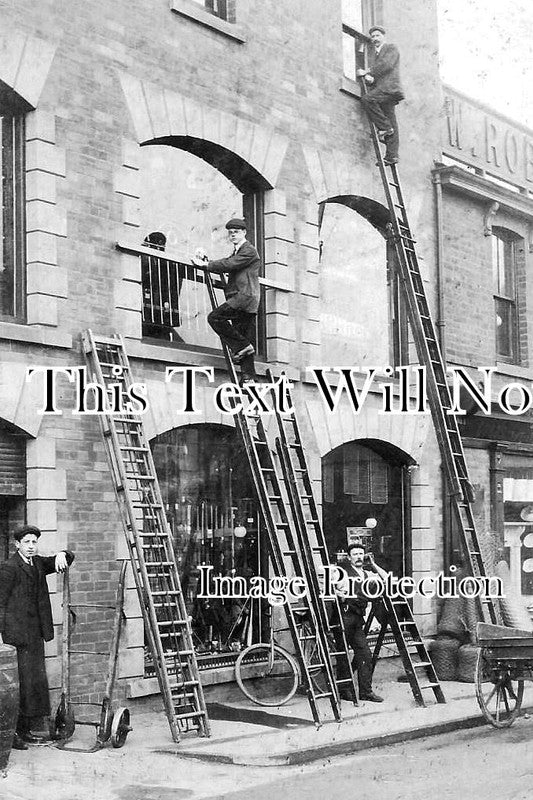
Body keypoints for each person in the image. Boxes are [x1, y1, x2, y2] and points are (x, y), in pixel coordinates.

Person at [0, 525, 74, 750]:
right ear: (17, 545)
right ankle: (11, 735)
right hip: (15, 636)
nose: (31, 546)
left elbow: (66, 559)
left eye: (34, 542)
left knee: (32, 684)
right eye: (27, 543)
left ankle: (24, 731)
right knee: (18, 684)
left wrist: (63, 554)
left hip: (34, 635)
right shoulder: (9, 567)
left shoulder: (39, 564)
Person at [193, 218, 260, 385]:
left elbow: (229, 264)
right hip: (245, 299)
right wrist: (208, 261)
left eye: (236, 232)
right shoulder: (238, 251)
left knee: (214, 318)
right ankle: (249, 378)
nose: (233, 235)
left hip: (244, 297)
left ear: (244, 233)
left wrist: (206, 264)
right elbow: (228, 262)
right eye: (230, 233)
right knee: (242, 338)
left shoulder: (249, 250)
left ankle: (243, 349)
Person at [335, 541, 388, 703]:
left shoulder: (367, 573)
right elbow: (327, 587)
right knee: (343, 654)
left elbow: (385, 578)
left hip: (357, 619)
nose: (358, 557)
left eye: (360, 554)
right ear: (349, 557)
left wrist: (373, 564)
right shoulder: (341, 572)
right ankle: (344, 690)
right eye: (355, 554)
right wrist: (340, 594)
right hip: (343, 617)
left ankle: (366, 692)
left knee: (365, 654)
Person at [357, 26, 404, 165]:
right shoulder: (376, 53)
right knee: (391, 120)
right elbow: (382, 71)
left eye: (377, 36)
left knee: (368, 99)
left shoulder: (391, 48)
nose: (375, 39)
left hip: (389, 89)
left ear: (383, 36)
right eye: (373, 37)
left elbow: (387, 65)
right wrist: (372, 79)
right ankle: (392, 156)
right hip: (384, 89)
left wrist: (367, 72)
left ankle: (384, 128)